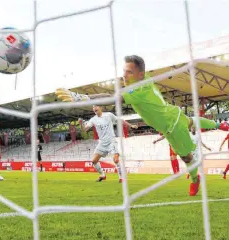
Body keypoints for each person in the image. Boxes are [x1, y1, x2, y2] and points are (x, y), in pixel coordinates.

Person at [56, 55, 220, 196]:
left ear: (139, 75)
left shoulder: (136, 91)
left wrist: (81, 98)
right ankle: (219, 124)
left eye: (129, 72)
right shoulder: (145, 78)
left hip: (173, 125)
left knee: (186, 156)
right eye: (124, 71)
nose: (124, 75)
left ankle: (195, 179)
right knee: (191, 121)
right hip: (171, 115)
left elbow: (111, 98)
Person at [79, 105, 138, 182]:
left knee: (116, 160)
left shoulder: (109, 115)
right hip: (102, 143)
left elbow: (120, 120)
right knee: (94, 161)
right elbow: (85, 129)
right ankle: (102, 175)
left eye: (96, 106)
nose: (94, 108)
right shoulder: (93, 119)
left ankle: (121, 177)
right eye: (93, 107)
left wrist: (131, 125)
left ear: (101, 108)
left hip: (111, 141)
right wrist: (81, 124)